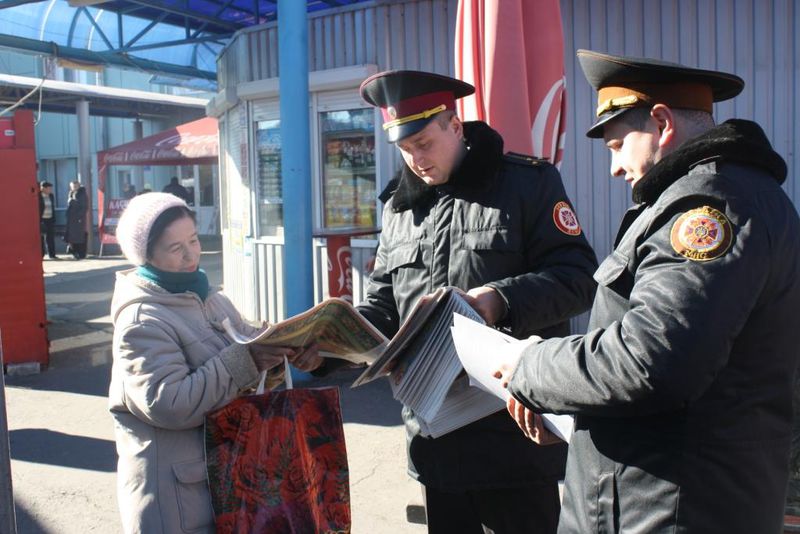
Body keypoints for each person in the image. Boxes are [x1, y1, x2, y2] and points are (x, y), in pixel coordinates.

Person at [495, 50, 800, 533]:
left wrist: (532, 366)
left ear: (660, 122)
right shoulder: (725, 195)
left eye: (617, 145)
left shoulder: (707, 207)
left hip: (667, 509)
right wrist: (576, 410)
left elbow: (653, 360)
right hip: (663, 497)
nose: (614, 168)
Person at [356, 70, 598, 533]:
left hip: (514, 438)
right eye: (405, 150)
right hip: (435, 440)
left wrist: (501, 299)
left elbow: (578, 278)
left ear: (455, 126)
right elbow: (384, 304)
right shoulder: (400, 208)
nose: (416, 160)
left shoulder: (529, 184)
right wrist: (332, 339)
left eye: (424, 143)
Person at [108, 192, 323, 534]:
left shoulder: (208, 296)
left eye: (193, 240)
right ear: (145, 256)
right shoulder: (141, 320)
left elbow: (248, 348)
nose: (190, 254)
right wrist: (245, 360)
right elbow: (168, 403)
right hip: (178, 497)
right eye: (175, 248)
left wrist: (290, 349)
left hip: (224, 477)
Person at [64, 180, 88, 260]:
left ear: (78, 186)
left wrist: (72, 202)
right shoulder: (71, 193)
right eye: (72, 187)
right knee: (72, 236)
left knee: (79, 236)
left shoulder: (81, 194)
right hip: (71, 218)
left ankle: (80, 253)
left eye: (75, 186)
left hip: (78, 219)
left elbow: (83, 206)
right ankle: (73, 250)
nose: (74, 188)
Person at [38, 181, 57, 259]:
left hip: (50, 219)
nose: (50, 190)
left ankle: (52, 255)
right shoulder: (38, 196)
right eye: (49, 188)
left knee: (50, 238)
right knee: (41, 238)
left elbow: (52, 207)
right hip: (42, 220)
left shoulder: (51, 196)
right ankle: (41, 255)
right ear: (43, 188)